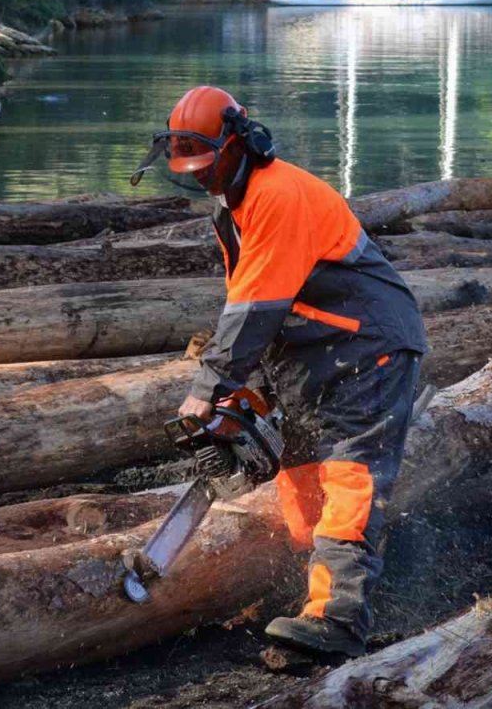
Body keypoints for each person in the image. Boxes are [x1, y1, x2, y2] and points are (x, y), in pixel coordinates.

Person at [131, 85, 428, 658]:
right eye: (189, 167)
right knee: (299, 480)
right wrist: (249, 389)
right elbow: (247, 298)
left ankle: (337, 620)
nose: (198, 177)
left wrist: (208, 387)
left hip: (367, 345)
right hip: (310, 351)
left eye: (205, 165)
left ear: (240, 145)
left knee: (349, 477)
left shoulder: (278, 195)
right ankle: (311, 595)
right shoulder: (230, 206)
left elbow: (255, 309)